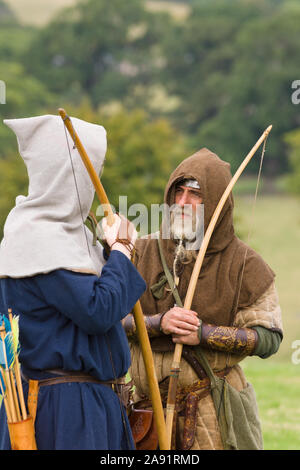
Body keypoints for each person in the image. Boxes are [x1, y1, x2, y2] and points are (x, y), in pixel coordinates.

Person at [0, 114, 146, 450]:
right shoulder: (38, 236)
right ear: (69, 173)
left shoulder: (68, 235)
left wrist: (113, 252)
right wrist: (122, 251)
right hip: (67, 412)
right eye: (92, 168)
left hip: (89, 404)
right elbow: (98, 311)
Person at [123, 148, 283, 450]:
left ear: (217, 202)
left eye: (195, 195)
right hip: (146, 415)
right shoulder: (140, 251)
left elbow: (268, 337)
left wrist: (202, 334)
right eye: (178, 192)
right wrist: (158, 323)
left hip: (211, 413)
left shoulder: (245, 263)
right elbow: (109, 319)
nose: (182, 203)